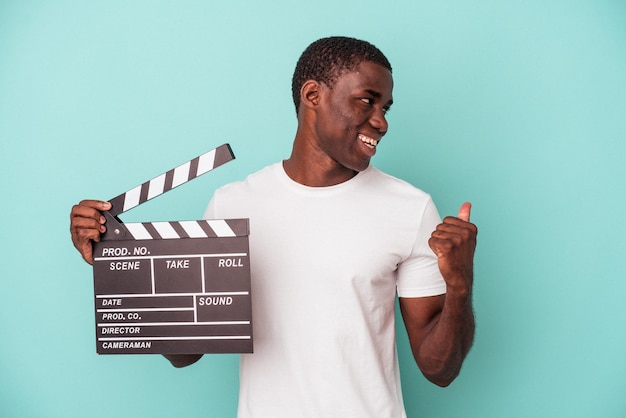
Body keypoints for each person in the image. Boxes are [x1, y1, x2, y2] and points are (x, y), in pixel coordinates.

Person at [70, 36, 477, 418]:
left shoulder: (409, 207)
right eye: (366, 102)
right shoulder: (233, 204)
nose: (381, 122)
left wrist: (459, 283)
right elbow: (185, 352)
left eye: (385, 108)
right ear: (313, 95)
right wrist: (118, 259)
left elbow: (438, 370)